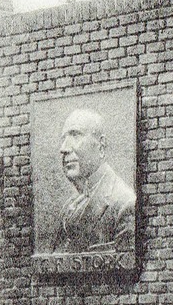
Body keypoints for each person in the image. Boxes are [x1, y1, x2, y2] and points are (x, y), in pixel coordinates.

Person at [51, 107, 135, 254]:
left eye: (75, 135)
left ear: (101, 145)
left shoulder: (125, 204)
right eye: (63, 139)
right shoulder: (69, 208)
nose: (63, 148)